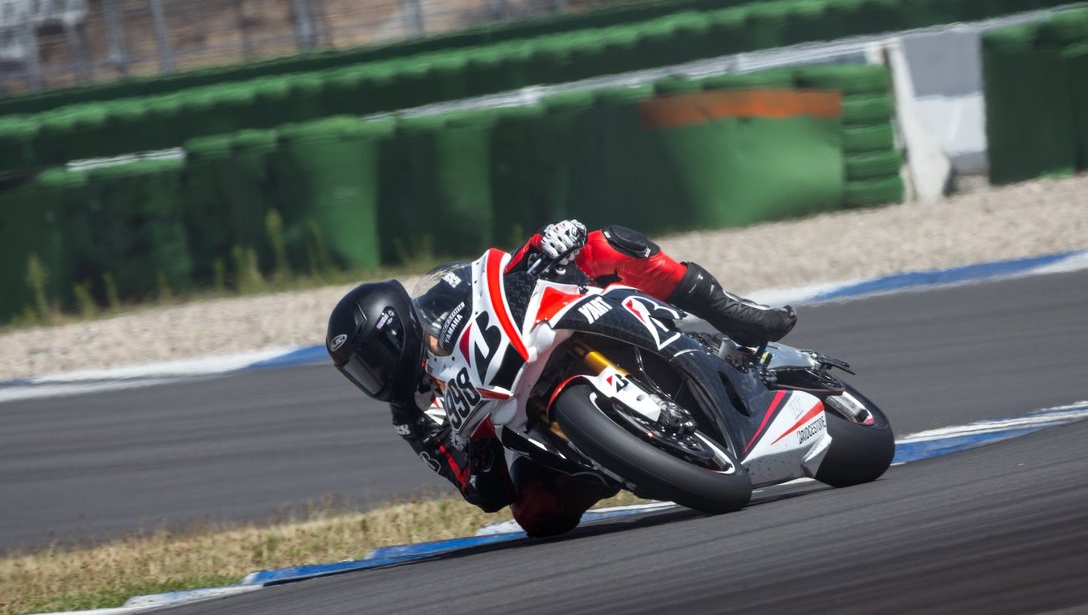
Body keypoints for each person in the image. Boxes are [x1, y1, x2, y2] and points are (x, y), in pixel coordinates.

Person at [325, 220, 797, 537]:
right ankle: (629, 459)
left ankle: (731, 313)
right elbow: (482, 491)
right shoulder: (412, 416)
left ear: (396, 332)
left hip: (549, 329)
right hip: (535, 427)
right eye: (360, 374)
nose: (375, 379)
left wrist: (543, 244)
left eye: (373, 362)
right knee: (535, 514)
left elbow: (498, 276)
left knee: (604, 242)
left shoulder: (443, 295)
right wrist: (479, 441)